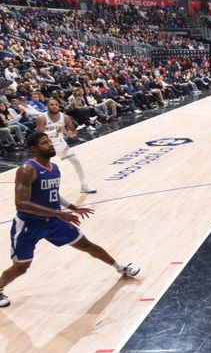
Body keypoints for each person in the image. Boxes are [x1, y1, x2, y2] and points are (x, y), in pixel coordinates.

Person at [0, 132, 139, 308]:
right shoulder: (27, 169)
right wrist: (59, 213)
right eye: (44, 143)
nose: (50, 145)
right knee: (21, 267)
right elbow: (21, 203)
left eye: (50, 141)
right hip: (29, 225)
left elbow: (52, 193)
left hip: (52, 222)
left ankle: (120, 267)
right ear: (33, 148)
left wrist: (73, 207)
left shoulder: (54, 168)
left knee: (87, 245)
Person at [35, 98, 96, 194]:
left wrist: (69, 133)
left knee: (76, 162)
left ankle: (84, 185)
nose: (54, 106)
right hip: (46, 146)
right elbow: (39, 135)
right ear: (47, 107)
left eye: (56, 104)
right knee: (42, 169)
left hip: (60, 143)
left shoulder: (65, 117)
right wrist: (55, 131)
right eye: (52, 104)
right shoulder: (41, 117)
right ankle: (40, 191)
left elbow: (73, 133)